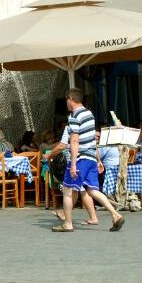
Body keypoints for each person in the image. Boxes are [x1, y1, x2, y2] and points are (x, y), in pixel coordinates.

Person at [43, 88, 125, 233]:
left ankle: (67, 224)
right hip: (91, 158)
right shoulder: (89, 114)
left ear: (70, 99)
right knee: (93, 190)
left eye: (66, 100)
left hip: (80, 158)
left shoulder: (74, 116)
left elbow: (74, 141)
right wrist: (98, 159)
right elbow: (91, 139)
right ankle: (116, 214)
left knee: (67, 190)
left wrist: (73, 163)